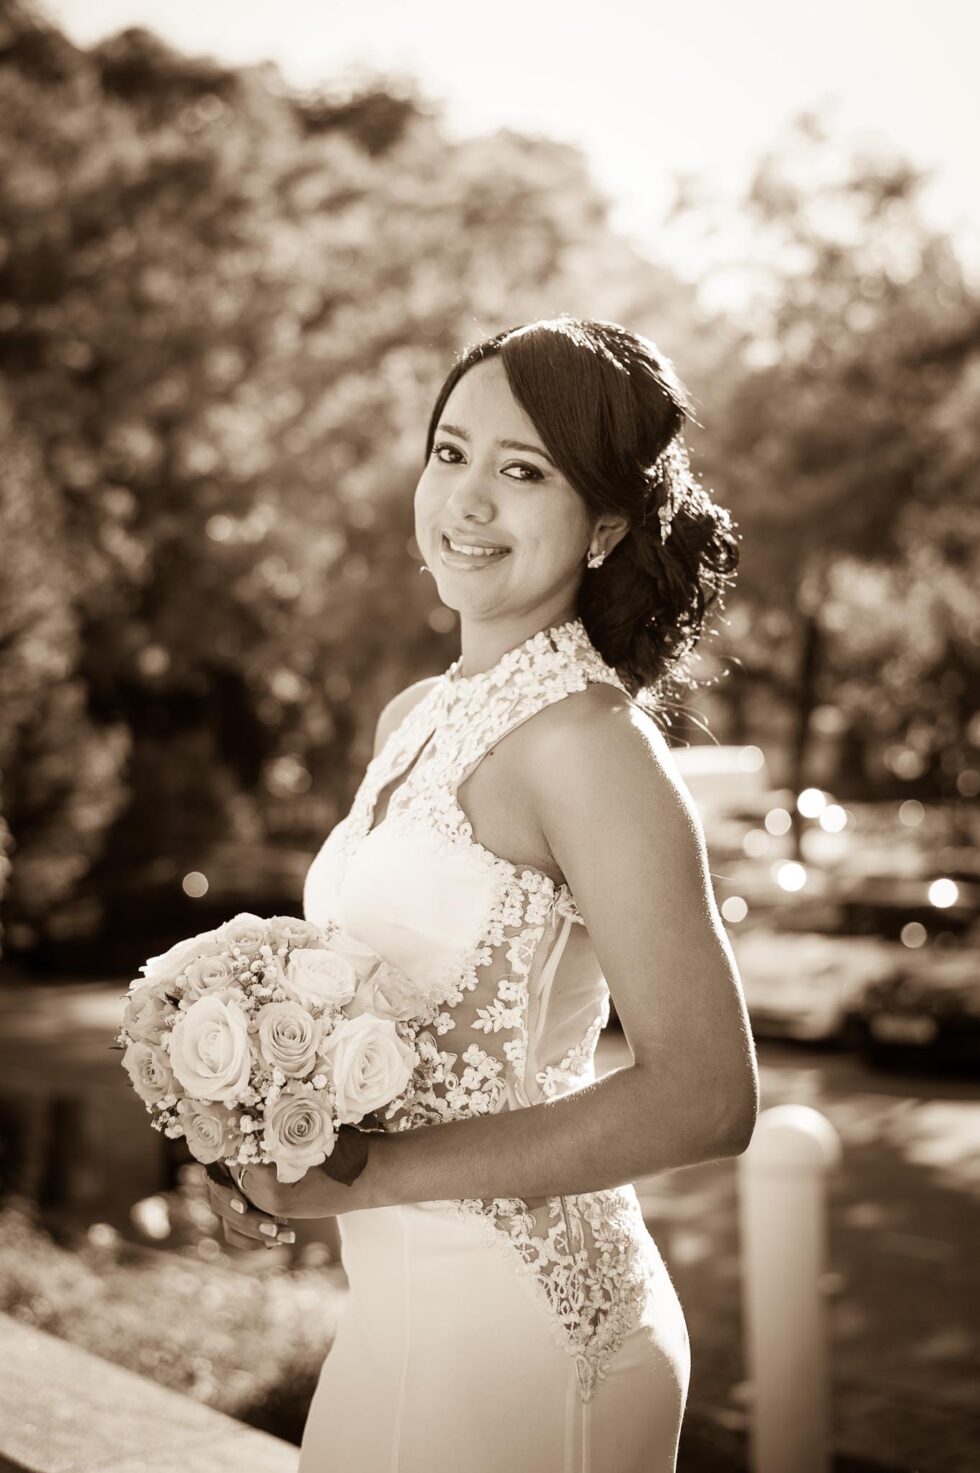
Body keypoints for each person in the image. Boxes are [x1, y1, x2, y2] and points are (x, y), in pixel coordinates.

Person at [207, 316, 759, 1472]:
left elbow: (707, 1096)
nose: (465, 501)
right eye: (449, 452)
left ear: (605, 524)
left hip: (520, 1327)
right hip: (401, 1314)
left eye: (522, 473)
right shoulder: (410, 720)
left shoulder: (591, 746)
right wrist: (260, 1134)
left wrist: (359, 1181)